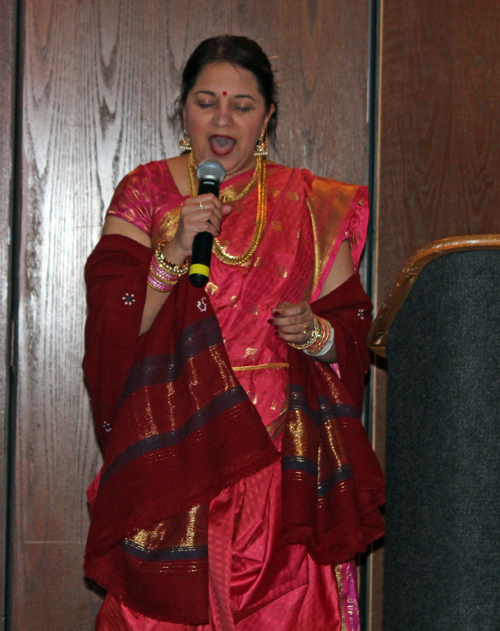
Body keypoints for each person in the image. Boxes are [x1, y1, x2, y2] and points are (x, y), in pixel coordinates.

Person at [83, 35, 385, 631]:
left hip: (279, 469)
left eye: (242, 105)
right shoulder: (145, 195)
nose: (223, 118)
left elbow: (352, 333)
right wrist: (171, 255)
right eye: (206, 101)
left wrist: (315, 333)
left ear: (267, 117)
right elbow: (112, 332)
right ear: (184, 110)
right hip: (174, 455)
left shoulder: (310, 203)